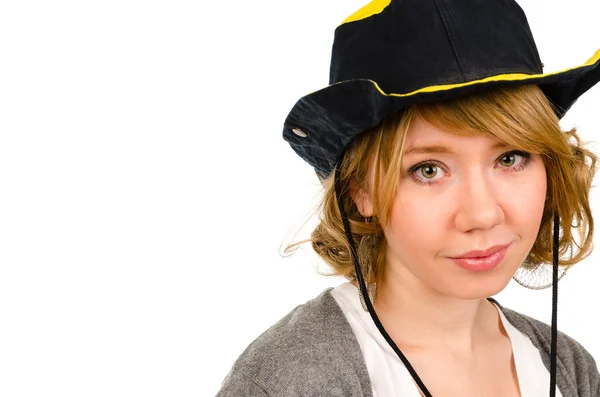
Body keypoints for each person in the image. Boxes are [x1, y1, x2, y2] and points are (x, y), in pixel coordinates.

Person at [217, 0, 600, 395]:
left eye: (510, 158)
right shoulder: (292, 381)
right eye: (428, 170)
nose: (483, 214)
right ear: (359, 191)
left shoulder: (568, 368)